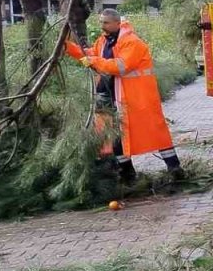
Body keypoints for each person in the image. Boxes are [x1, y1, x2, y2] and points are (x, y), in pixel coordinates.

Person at [66, 9, 182, 181]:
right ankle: (127, 173)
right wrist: (67, 47)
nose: (102, 25)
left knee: (156, 132)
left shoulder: (132, 42)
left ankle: (174, 168)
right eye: (101, 22)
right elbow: (90, 54)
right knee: (115, 135)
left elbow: (120, 66)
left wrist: (94, 61)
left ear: (117, 23)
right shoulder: (104, 41)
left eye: (106, 22)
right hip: (114, 95)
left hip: (136, 97)